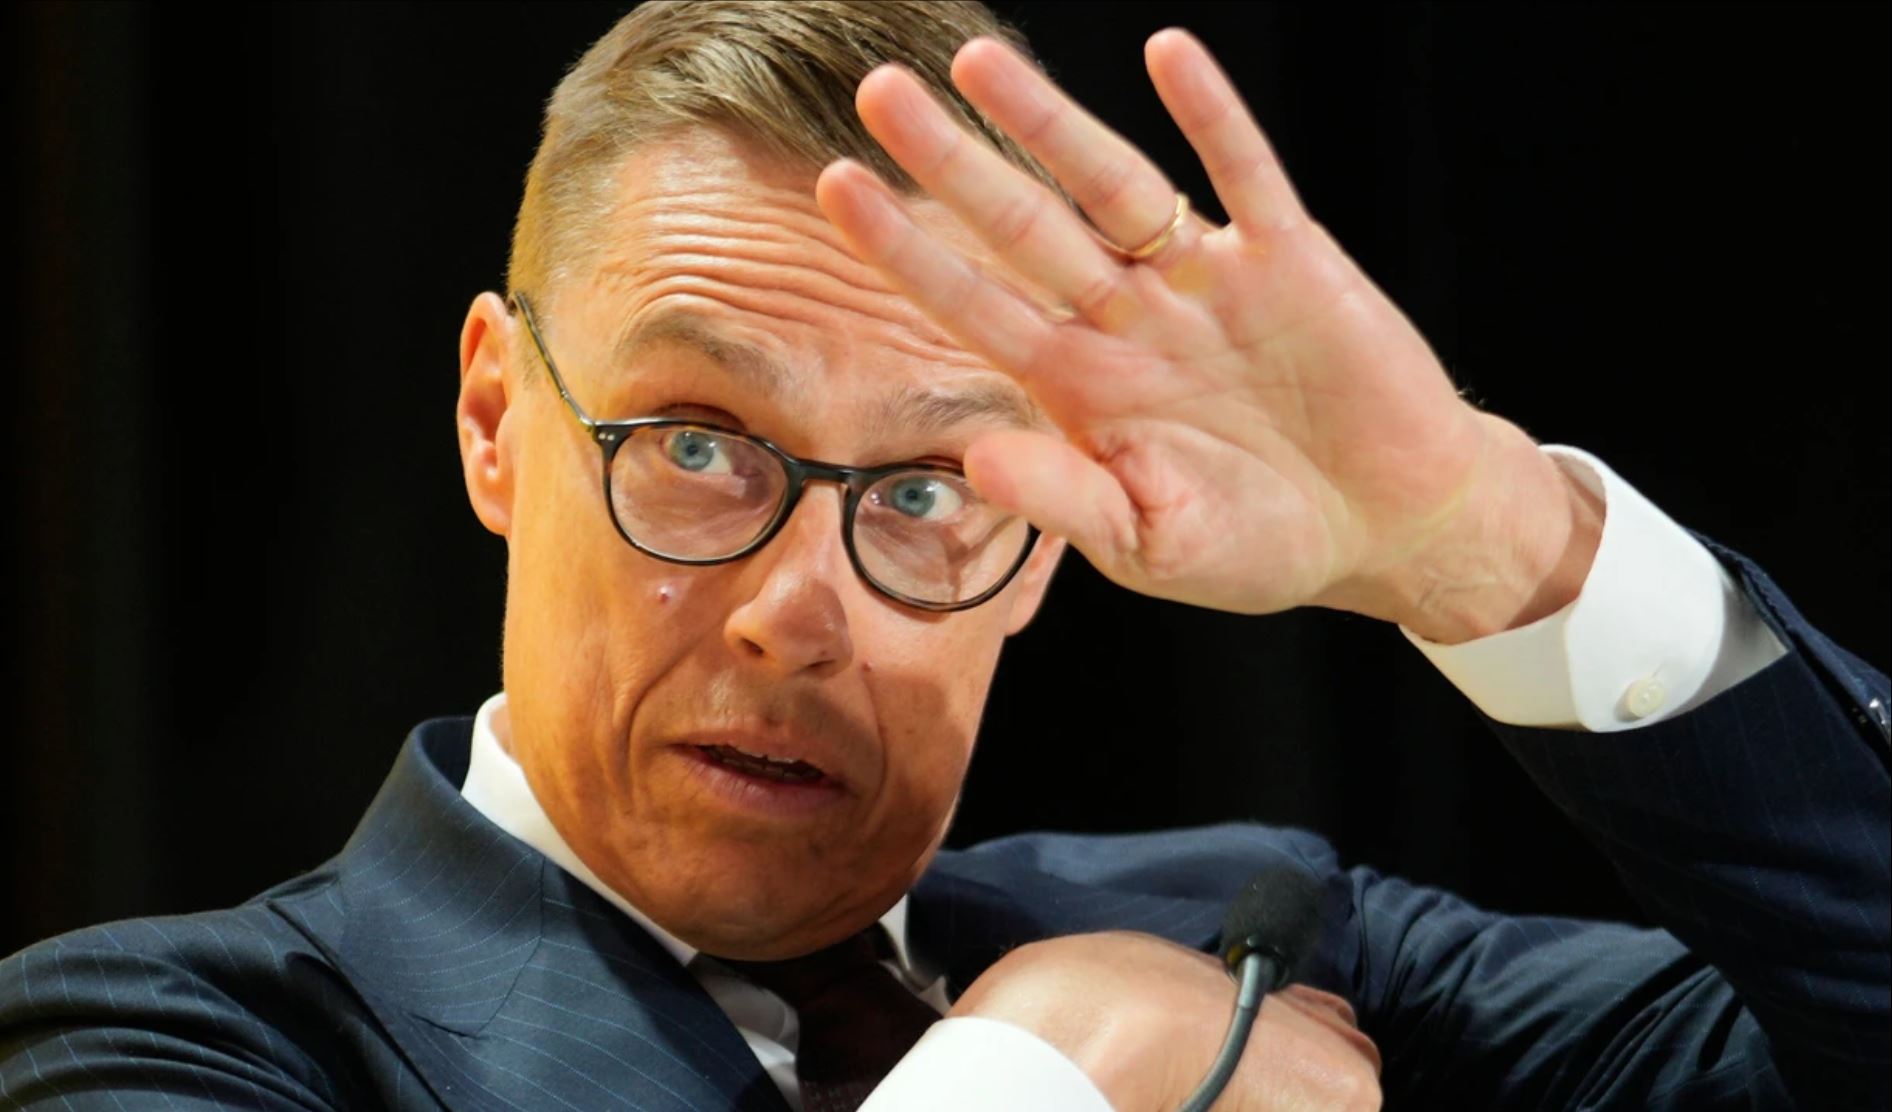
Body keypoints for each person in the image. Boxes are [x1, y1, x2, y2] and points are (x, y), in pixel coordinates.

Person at [2, 2, 1886, 1109]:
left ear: (1049, 537)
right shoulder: (157, 1042)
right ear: (499, 420)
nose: (800, 612)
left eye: (924, 490)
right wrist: (1043, 1077)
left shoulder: (1264, 932)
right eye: (696, 448)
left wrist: (1487, 539)